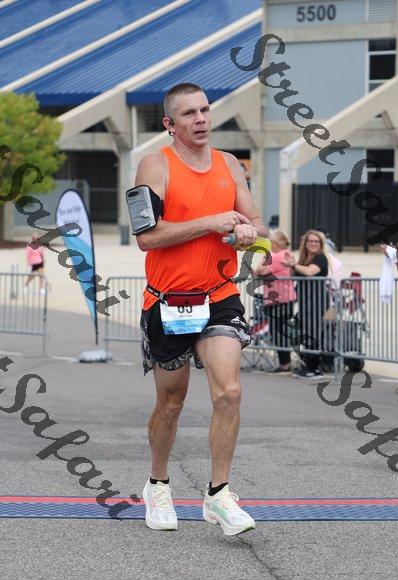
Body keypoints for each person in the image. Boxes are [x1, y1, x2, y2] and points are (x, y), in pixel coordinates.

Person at [135, 82, 268, 535]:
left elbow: (258, 224)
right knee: (171, 402)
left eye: (205, 110)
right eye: (189, 113)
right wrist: (210, 223)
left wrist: (249, 232)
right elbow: (146, 237)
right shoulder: (155, 165)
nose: (201, 119)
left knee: (229, 392)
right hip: (168, 300)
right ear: (169, 124)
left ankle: (219, 493)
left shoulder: (229, 164)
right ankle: (158, 483)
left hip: (219, 295)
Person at [282, 229, 330, 379]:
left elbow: (310, 272)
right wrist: (291, 264)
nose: (314, 244)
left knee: (312, 333)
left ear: (320, 244)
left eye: (317, 241)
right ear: (305, 243)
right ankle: (307, 363)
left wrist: (294, 265)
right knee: (295, 331)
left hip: (316, 301)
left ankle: (314, 369)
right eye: (311, 241)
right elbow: (293, 275)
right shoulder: (303, 259)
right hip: (304, 302)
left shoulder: (321, 258)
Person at [253, 229, 296, 373]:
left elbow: (259, 271)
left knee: (279, 332)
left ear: (275, 243)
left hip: (280, 299)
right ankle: (285, 363)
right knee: (278, 331)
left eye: (270, 242)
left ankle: (285, 364)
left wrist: (265, 257)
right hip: (280, 299)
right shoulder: (284, 254)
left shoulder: (278, 256)